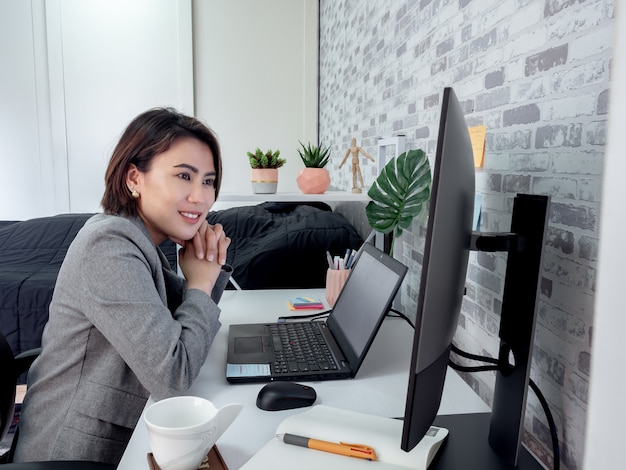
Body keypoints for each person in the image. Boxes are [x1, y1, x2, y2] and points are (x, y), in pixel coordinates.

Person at [13, 108, 232, 465]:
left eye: (208, 181)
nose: (201, 197)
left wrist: (206, 273)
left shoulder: (138, 238)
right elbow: (174, 373)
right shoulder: (110, 244)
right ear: (134, 178)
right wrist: (202, 282)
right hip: (74, 453)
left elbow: (177, 317)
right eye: (183, 176)